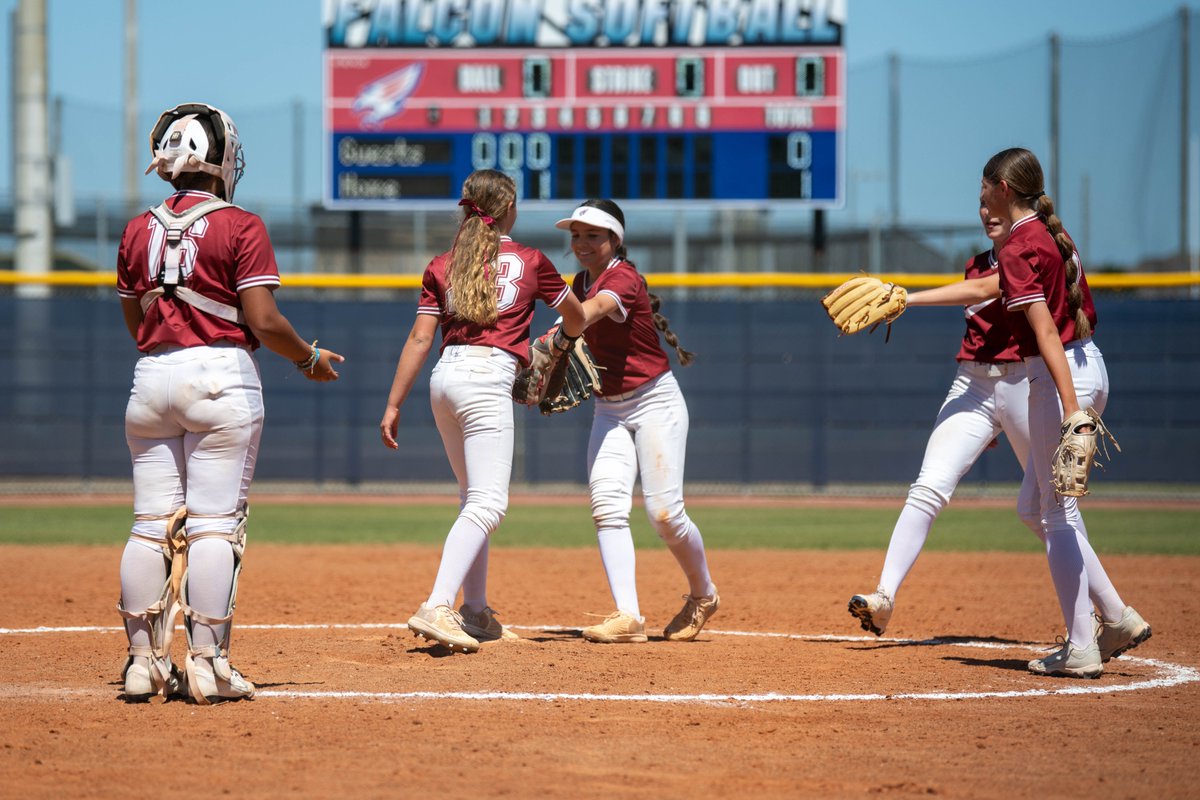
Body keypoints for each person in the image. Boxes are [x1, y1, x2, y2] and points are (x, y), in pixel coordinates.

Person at [116, 102, 343, 704]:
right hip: (220, 376)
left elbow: (134, 317)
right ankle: (208, 664)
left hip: (152, 376)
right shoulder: (242, 224)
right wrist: (307, 357)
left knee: (148, 527)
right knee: (216, 527)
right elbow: (264, 320)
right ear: (217, 160)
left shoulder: (138, 227)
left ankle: (142, 664)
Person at [380, 169, 586, 654]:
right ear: (509, 208)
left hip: (443, 381)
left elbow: (419, 339)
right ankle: (437, 603)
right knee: (490, 503)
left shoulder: (442, 263)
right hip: (487, 380)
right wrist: (562, 339)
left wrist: (392, 403)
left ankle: (475, 610)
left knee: (472, 495)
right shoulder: (531, 260)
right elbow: (575, 315)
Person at [981, 147, 1150, 678]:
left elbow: (1046, 330)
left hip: (1058, 379)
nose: (981, 197)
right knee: (1034, 508)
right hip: (1089, 362)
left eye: (985, 187)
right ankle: (1117, 618)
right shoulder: (1053, 232)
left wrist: (1072, 410)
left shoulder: (1015, 246)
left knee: (1056, 514)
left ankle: (1082, 647)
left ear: (1004, 190)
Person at [848, 195, 1039, 636]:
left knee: (1050, 507)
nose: (988, 211)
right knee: (928, 486)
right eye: (981, 203)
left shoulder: (1030, 253)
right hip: (973, 384)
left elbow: (987, 289)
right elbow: (978, 289)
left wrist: (906, 300)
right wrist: (987, 418)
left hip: (1024, 385)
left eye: (996, 201)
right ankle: (883, 598)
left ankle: (1098, 611)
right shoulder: (975, 263)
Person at [551, 199, 719, 644]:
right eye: (576, 235)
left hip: (654, 403)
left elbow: (587, 314)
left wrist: (546, 300)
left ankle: (703, 594)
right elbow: (575, 326)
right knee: (607, 507)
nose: (581, 243)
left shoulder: (620, 278)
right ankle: (628, 616)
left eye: (592, 235)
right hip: (609, 409)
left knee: (665, 515)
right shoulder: (579, 280)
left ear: (614, 240)